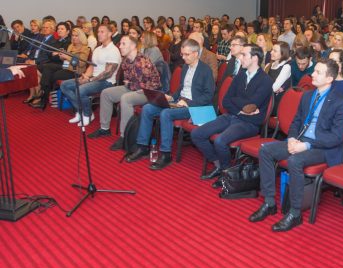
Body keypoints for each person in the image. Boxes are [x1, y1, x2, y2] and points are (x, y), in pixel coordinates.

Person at [249, 59, 343, 232]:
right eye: (315, 71)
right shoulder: (308, 95)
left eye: (318, 72)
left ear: (330, 78)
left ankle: (295, 213)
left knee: (295, 161)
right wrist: (291, 139)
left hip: (323, 148)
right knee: (265, 150)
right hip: (299, 141)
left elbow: (336, 137)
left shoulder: (340, 101)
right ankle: (269, 202)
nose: (313, 74)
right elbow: (296, 121)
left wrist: (307, 146)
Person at [191, 44, 274, 187]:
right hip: (232, 116)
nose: (240, 58)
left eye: (244, 55)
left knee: (220, 141)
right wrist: (241, 109)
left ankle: (226, 174)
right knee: (197, 133)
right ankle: (220, 165)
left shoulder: (265, 80)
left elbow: (251, 105)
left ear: (254, 58)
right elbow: (226, 100)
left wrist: (240, 105)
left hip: (250, 123)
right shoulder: (241, 74)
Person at [126, 39, 214, 170]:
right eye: (182, 54)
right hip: (179, 102)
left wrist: (188, 103)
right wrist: (171, 97)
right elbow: (181, 87)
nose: (183, 57)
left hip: (194, 106)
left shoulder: (205, 70)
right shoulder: (185, 67)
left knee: (166, 113)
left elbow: (208, 96)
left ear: (196, 54)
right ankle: (142, 146)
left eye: (186, 54)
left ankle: (166, 154)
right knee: (148, 108)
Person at [88, 34, 161, 150]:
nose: (120, 46)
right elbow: (129, 82)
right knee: (106, 93)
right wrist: (131, 85)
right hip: (133, 88)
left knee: (126, 98)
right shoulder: (126, 61)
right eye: (120, 43)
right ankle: (104, 128)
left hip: (149, 92)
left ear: (133, 46)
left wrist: (131, 85)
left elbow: (153, 85)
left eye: (123, 44)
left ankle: (124, 137)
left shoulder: (142, 61)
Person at [60, 24, 121, 127]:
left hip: (107, 82)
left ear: (110, 33)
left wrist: (89, 80)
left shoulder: (113, 50)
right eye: (98, 32)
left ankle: (87, 115)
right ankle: (81, 111)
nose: (99, 34)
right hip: (94, 79)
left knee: (81, 89)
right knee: (65, 85)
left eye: (102, 32)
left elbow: (108, 73)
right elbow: (92, 67)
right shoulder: (98, 49)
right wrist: (86, 76)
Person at [32, 27, 91, 110]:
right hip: (66, 67)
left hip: (75, 71)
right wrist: (62, 56)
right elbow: (65, 60)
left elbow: (81, 63)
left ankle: (43, 96)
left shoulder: (85, 48)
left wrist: (67, 57)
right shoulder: (71, 46)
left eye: (76, 36)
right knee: (47, 67)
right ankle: (43, 96)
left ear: (81, 37)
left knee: (52, 75)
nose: (74, 37)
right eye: (73, 36)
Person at [265, 41, 291, 114]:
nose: (271, 52)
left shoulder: (286, 67)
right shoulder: (268, 65)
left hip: (275, 102)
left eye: (275, 51)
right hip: (265, 98)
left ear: (283, 53)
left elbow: (274, 88)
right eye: (272, 50)